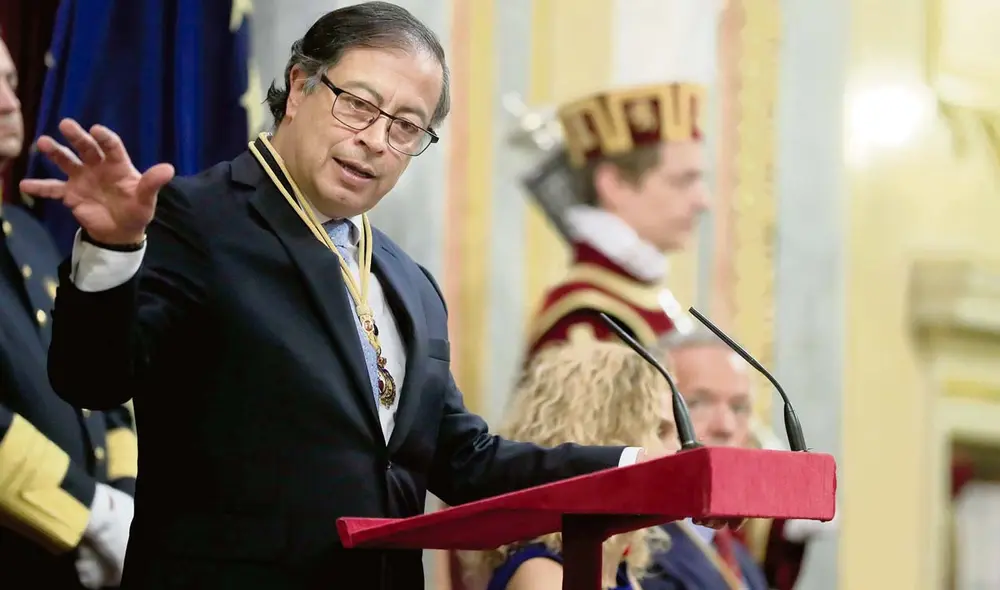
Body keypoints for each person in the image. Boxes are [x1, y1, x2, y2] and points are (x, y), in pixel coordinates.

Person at [20, 3, 656, 588]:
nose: (377, 141)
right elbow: (91, 379)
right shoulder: (195, 217)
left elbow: (464, 459)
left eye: (407, 127)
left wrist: (638, 468)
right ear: (299, 88)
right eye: (358, 104)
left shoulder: (409, 282)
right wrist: (113, 250)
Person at [0, 33, 137, 589]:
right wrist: (89, 514)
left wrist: (124, 499)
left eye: (10, 83)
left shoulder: (28, 234)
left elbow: (106, 392)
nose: (10, 103)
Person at [457, 340, 680, 590]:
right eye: (660, 430)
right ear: (603, 436)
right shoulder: (541, 574)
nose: (677, 449)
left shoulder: (617, 569)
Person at [642, 331, 769, 589]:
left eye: (739, 407)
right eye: (698, 403)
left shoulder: (742, 560)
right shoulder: (631, 552)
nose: (726, 426)